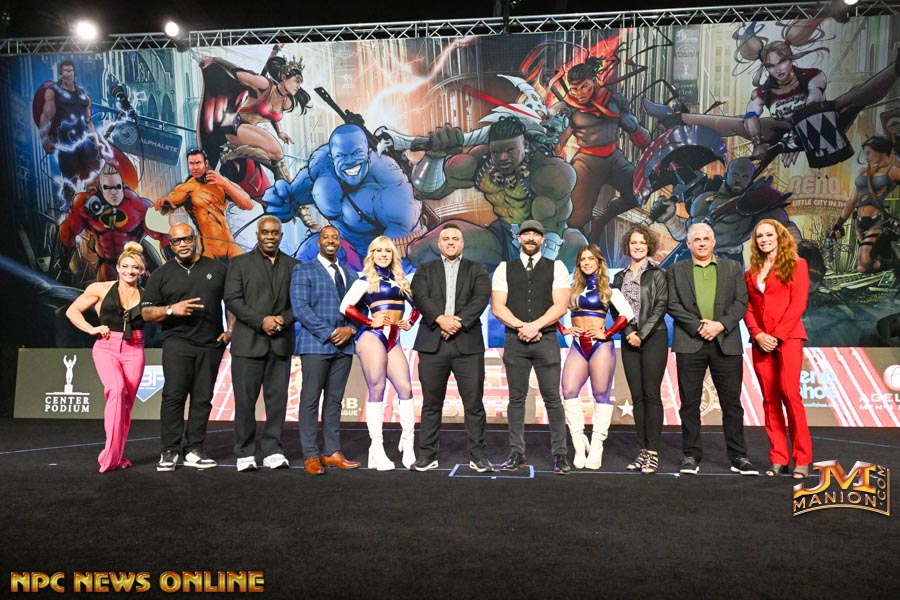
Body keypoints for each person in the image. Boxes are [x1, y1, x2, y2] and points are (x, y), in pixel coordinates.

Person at [408, 116, 586, 270]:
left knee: (577, 248)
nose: (502, 158)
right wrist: (434, 157)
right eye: (496, 151)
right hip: (503, 238)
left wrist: (535, 274)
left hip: (547, 241)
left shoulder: (549, 173)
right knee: (421, 251)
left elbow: (553, 228)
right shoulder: (481, 163)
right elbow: (425, 191)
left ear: (525, 145)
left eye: (510, 150)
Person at [265, 123, 425, 270]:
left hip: (389, 257)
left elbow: (399, 239)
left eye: (356, 153)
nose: (350, 161)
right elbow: (289, 201)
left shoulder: (389, 180)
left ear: (368, 152)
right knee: (309, 251)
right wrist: (281, 201)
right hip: (344, 248)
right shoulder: (321, 167)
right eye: (342, 156)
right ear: (332, 157)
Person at [667, 223, 757, 475]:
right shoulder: (675, 270)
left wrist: (720, 325)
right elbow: (672, 304)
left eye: (706, 239)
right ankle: (691, 455)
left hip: (725, 342)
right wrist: (698, 326)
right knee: (689, 403)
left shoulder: (733, 268)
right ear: (688, 244)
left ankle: (738, 456)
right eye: (697, 240)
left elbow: (741, 302)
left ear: (714, 242)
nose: (702, 243)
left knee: (732, 404)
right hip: (690, 342)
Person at [141, 222, 232, 471]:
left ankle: (194, 449)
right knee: (174, 396)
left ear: (195, 239)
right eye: (176, 241)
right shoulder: (161, 274)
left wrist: (230, 331)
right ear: (170, 245)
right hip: (177, 342)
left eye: (186, 239)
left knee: (202, 399)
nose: (182, 244)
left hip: (211, 344)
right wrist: (172, 309)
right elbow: (146, 312)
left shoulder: (217, 269)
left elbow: (231, 302)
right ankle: (169, 450)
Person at [409, 223, 493, 472]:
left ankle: (478, 456)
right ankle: (427, 456)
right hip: (433, 344)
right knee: (431, 404)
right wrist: (440, 319)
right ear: (439, 244)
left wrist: (457, 323)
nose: (450, 242)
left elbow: (481, 298)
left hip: (467, 344)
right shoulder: (425, 269)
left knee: (474, 404)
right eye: (446, 239)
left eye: (455, 239)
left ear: (462, 243)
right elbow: (420, 297)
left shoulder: (477, 269)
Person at [491, 219, 572, 474]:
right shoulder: (504, 268)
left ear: (542, 239)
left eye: (535, 234)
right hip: (515, 341)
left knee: (552, 398)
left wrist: (535, 326)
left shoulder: (556, 267)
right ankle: (516, 453)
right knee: (516, 399)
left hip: (546, 339)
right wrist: (521, 327)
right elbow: (497, 307)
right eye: (526, 234)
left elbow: (561, 305)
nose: (530, 238)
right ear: (518, 238)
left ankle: (560, 455)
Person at [224, 216, 299, 472]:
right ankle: (245, 453)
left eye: (275, 233)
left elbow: (299, 302)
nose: (270, 237)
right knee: (245, 403)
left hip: (280, 343)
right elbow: (233, 299)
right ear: (257, 235)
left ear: (281, 236)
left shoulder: (294, 265)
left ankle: (273, 451)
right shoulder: (239, 263)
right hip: (248, 345)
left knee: (277, 402)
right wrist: (261, 321)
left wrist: (283, 319)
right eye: (265, 232)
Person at [549, 58, 651, 246]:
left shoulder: (614, 102)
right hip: (587, 162)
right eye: (574, 89)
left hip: (614, 158)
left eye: (584, 87)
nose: (579, 93)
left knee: (639, 193)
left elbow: (637, 132)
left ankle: (603, 219)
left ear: (594, 82)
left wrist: (641, 136)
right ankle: (576, 251)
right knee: (576, 218)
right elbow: (559, 142)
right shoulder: (568, 109)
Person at [340, 236, 420, 470]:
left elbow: (417, 307)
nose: (383, 254)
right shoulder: (365, 280)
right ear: (372, 254)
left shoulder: (401, 281)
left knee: (406, 389)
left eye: (387, 251)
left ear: (393, 255)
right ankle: (377, 448)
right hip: (372, 337)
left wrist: (410, 322)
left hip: (394, 339)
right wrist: (368, 321)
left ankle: (408, 445)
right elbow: (345, 306)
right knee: (377, 388)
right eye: (379, 251)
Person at [65, 242, 146, 472]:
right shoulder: (100, 288)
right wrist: (91, 329)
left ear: (142, 271)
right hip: (106, 346)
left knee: (126, 405)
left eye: (135, 267)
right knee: (116, 390)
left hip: (135, 347)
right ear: (118, 267)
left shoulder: (148, 295)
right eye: (125, 266)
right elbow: (72, 311)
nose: (130, 271)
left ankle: (116, 456)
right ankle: (109, 458)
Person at [291, 225, 361, 475]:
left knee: (334, 401)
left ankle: (331, 452)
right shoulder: (303, 270)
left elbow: (361, 310)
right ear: (318, 242)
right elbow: (300, 308)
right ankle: (310, 455)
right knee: (310, 400)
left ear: (339, 242)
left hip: (345, 347)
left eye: (335, 237)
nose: (331, 240)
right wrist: (331, 333)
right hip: (316, 344)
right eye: (326, 237)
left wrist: (351, 330)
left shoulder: (351, 274)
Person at [745, 219, 812, 478]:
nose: (764, 239)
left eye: (768, 234)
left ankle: (802, 459)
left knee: (790, 395)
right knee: (770, 400)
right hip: (761, 342)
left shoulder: (797, 265)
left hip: (788, 338)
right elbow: (748, 308)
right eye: (759, 236)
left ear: (779, 236)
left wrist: (777, 335)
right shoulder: (751, 272)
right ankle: (778, 458)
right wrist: (758, 334)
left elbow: (798, 304)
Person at [559, 244, 633, 470]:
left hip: (600, 346)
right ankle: (578, 443)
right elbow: (553, 309)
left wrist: (607, 333)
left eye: (591, 259)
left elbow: (627, 314)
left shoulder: (608, 290)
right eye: (583, 259)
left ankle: (597, 446)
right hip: (577, 345)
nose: (586, 263)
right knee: (568, 390)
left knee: (601, 394)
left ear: (599, 262)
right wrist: (563, 329)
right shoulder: (571, 289)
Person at [611, 225, 669, 474]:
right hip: (629, 338)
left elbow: (660, 306)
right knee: (637, 397)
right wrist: (628, 333)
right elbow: (616, 310)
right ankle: (643, 451)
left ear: (649, 246)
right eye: (633, 242)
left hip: (653, 338)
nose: (637, 246)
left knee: (651, 395)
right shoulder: (619, 277)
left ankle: (653, 452)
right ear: (628, 246)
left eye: (642, 243)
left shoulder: (658, 273)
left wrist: (642, 334)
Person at [198, 54, 311, 182]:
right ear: (284, 77)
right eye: (296, 81)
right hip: (233, 124)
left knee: (277, 154)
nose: (298, 86)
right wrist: (215, 59)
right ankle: (232, 155)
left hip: (247, 129)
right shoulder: (264, 85)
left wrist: (279, 132)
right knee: (276, 153)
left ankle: (237, 156)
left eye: (300, 83)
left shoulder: (286, 102)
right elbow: (237, 72)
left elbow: (273, 116)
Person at [59, 163, 163, 282]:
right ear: (100, 189)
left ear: (122, 186)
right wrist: (64, 268)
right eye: (107, 188)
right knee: (107, 281)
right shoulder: (85, 205)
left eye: (117, 187)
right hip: (107, 262)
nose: (113, 192)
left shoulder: (139, 206)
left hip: (134, 260)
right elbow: (67, 233)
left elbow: (163, 236)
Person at [156, 148, 254, 261]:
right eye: (191, 164)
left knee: (250, 268)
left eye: (198, 163)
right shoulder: (187, 188)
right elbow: (169, 204)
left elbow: (248, 204)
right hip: (209, 249)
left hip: (229, 245)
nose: (195, 167)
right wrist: (165, 204)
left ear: (206, 163)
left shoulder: (220, 181)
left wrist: (224, 183)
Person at [828, 135, 900, 274]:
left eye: (868, 153)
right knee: (867, 264)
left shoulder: (893, 171)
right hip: (860, 225)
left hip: (878, 222)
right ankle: (894, 262)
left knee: (864, 264)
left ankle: (896, 264)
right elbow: (852, 201)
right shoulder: (863, 172)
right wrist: (838, 224)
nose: (866, 157)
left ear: (880, 151)